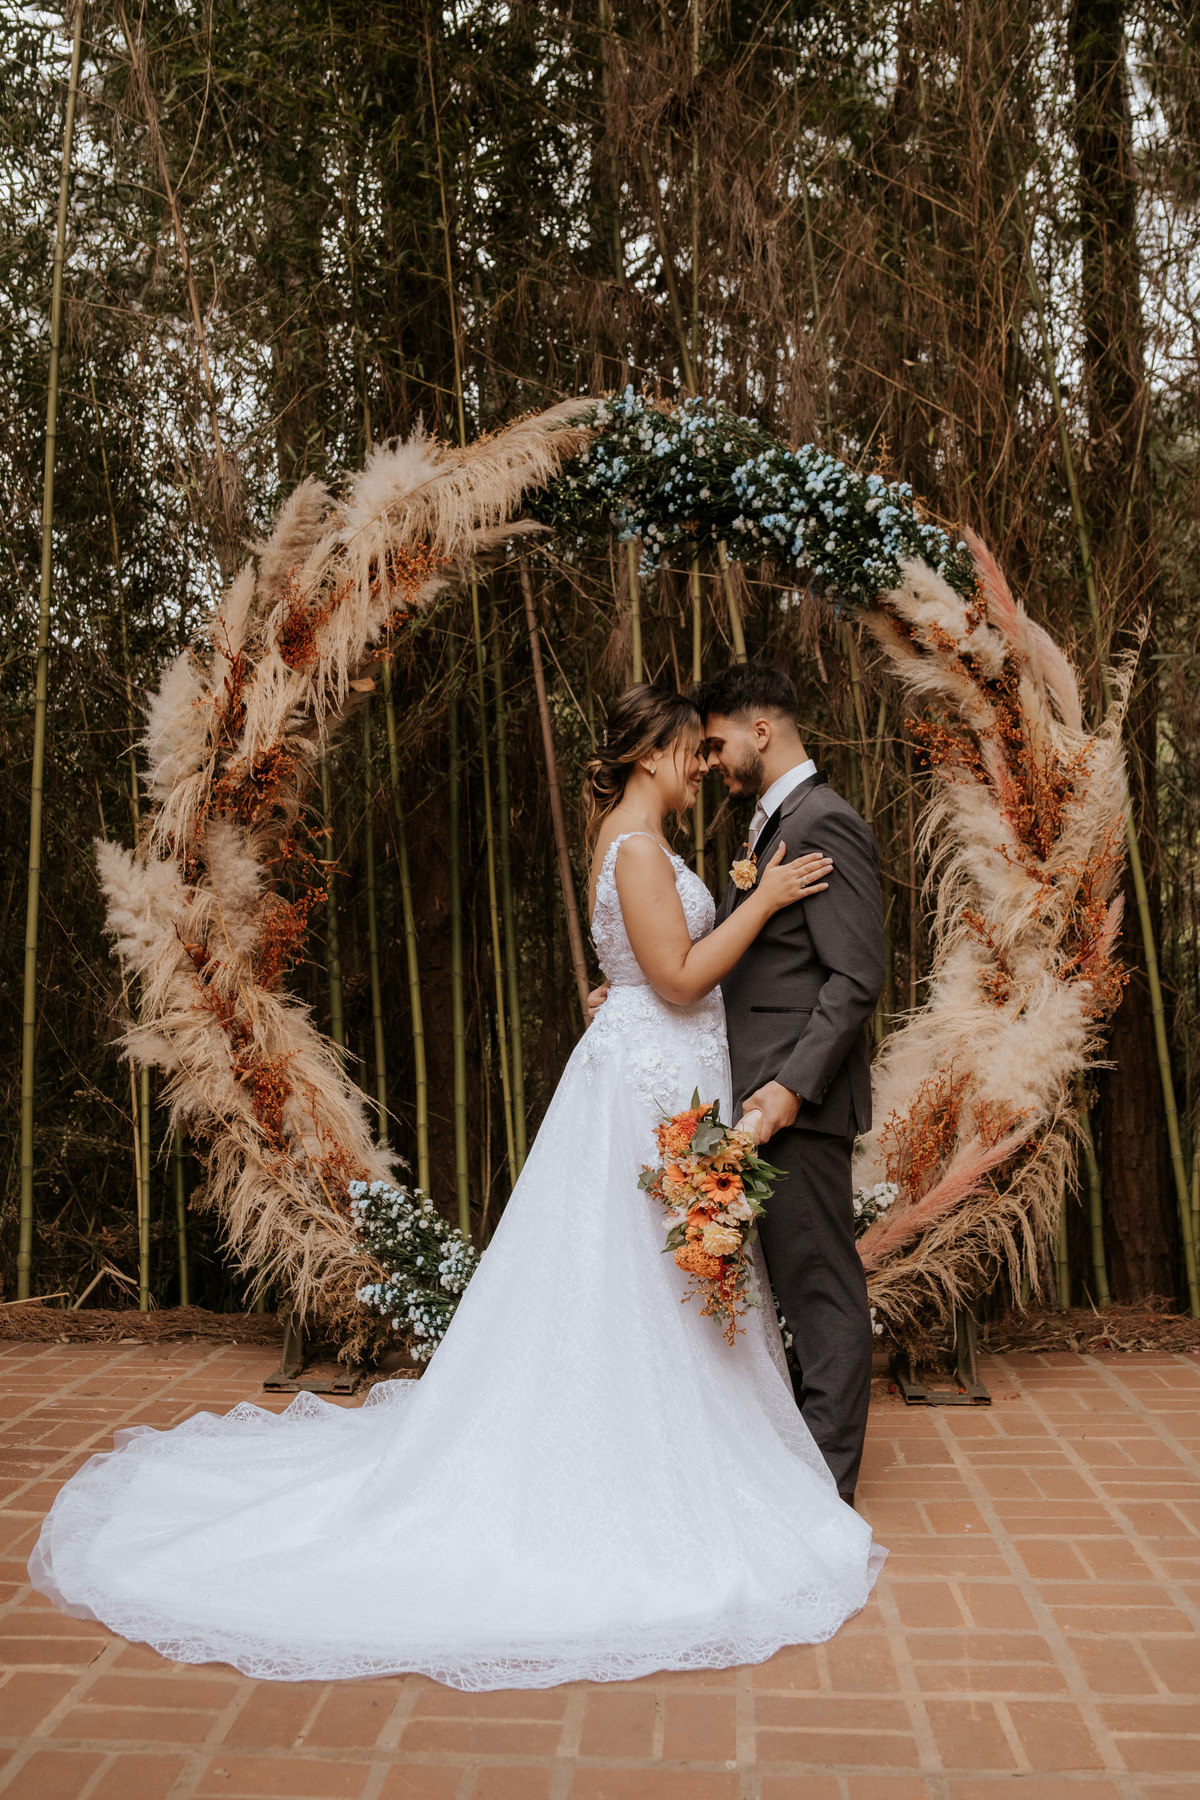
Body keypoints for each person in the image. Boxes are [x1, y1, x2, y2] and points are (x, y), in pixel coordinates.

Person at [29, 684, 882, 1691]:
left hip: (668, 1075)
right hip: (659, 1078)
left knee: (656, 1283)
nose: (703, 766)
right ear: (654, 753)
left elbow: (683, 970)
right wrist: (763, 907)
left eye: (713, 750)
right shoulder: (642, 847)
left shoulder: (653, 838)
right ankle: (648, 1465)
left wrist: (658, 984)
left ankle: (709, 1455)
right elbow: (684, 976)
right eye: (691, 753)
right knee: (648, 1282)